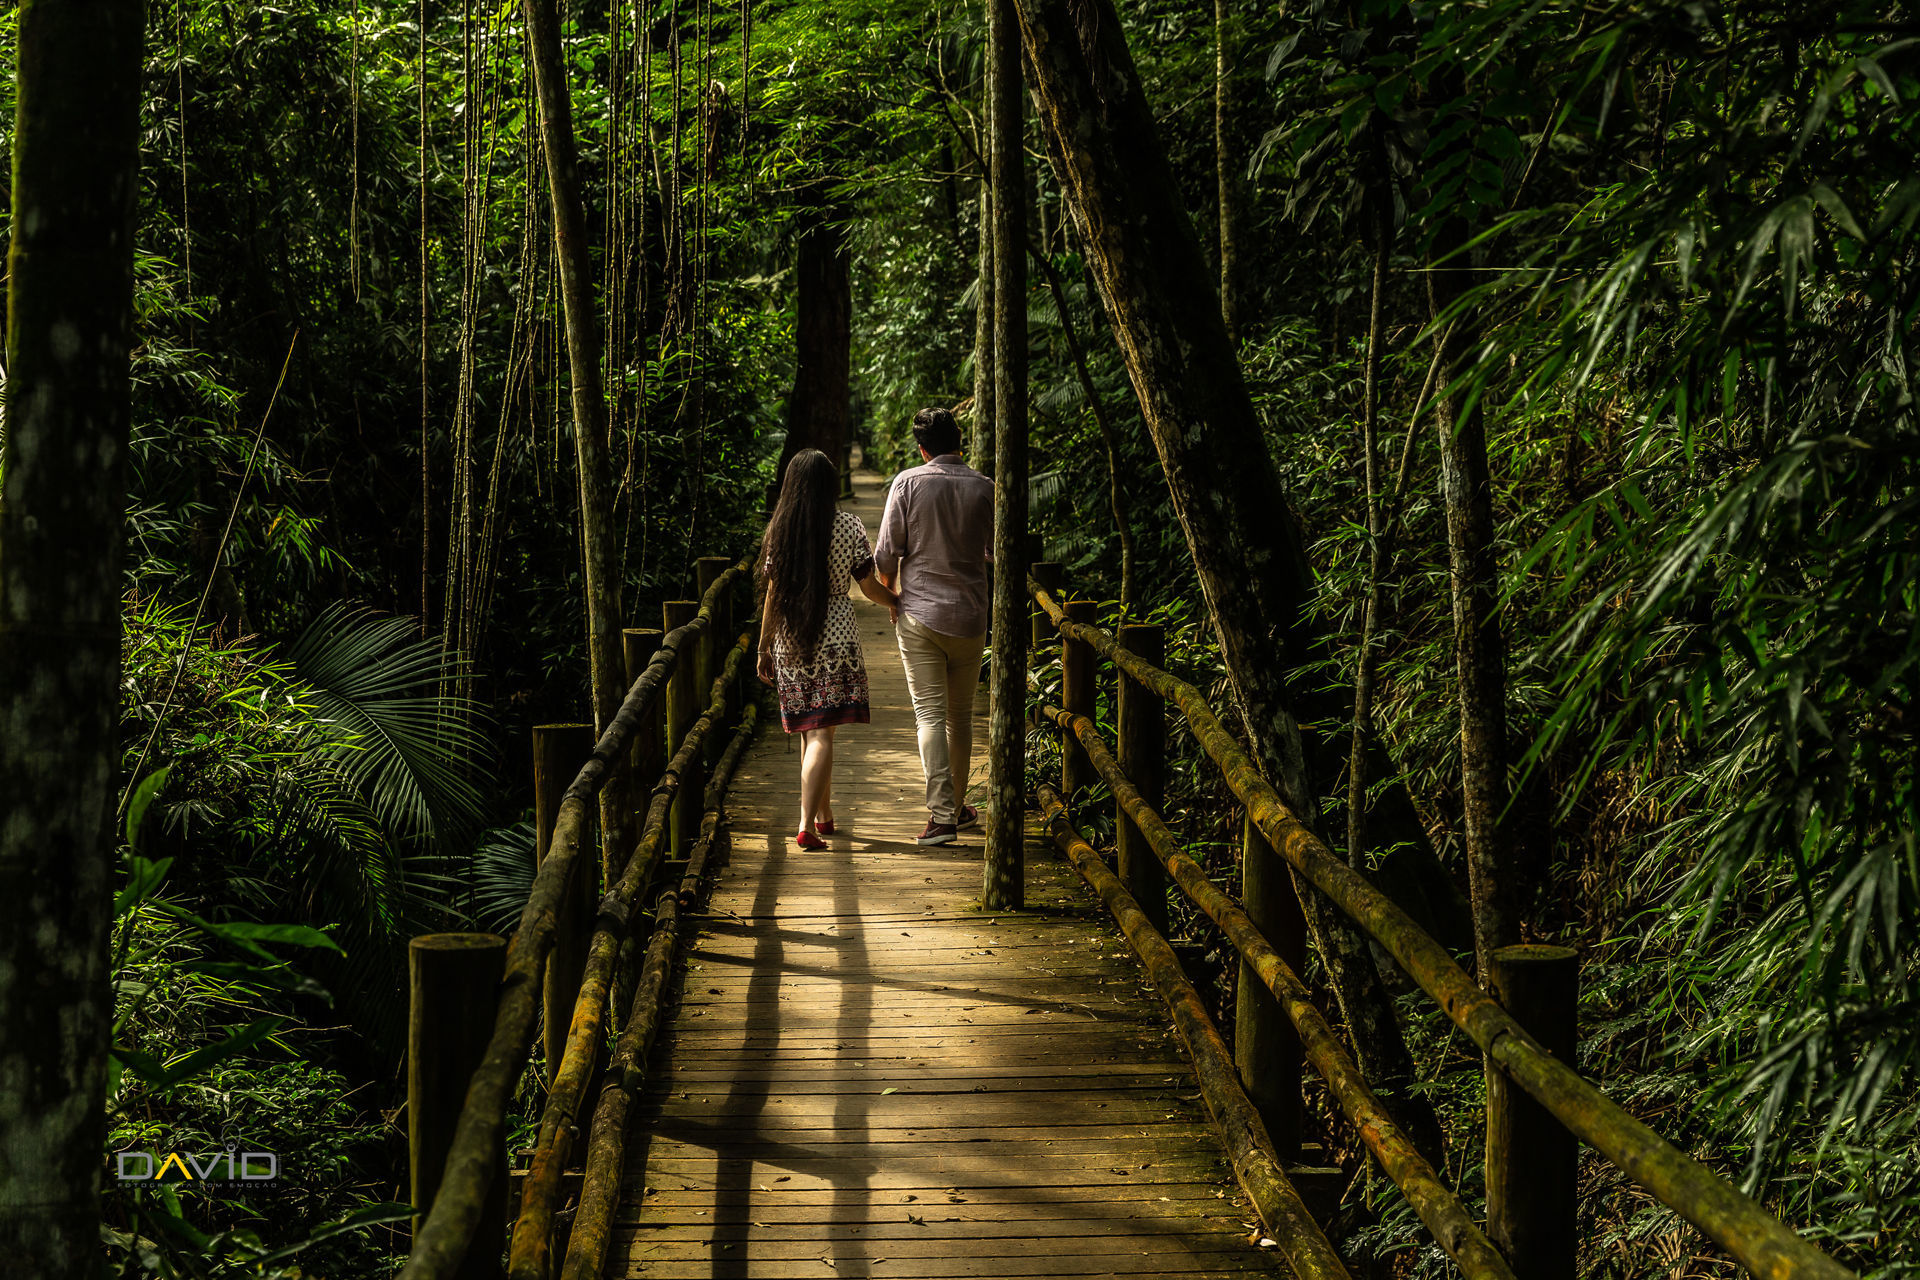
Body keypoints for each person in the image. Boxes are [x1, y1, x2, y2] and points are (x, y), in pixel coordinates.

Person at [758, 448, 900, 850]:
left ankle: (824, 815)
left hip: (790, 639)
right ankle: (805, 824)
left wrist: (763, 648)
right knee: (822, 734)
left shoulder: (780, 529)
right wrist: (896, 601)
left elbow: (772, 594)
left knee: (810, 730)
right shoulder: (849, 526)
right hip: (836, 639)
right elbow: (868, 586)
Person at [874, 407, 994, 846]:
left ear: (922, 448)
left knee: (930, 714)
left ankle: (942, 817)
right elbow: (996, 549)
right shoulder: (985, 487)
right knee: (960, 718)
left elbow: (886, 553)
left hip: (921, 614)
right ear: (958, 442)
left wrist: (891, 596)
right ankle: (958, 808)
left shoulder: (908, 482)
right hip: (971, 616)